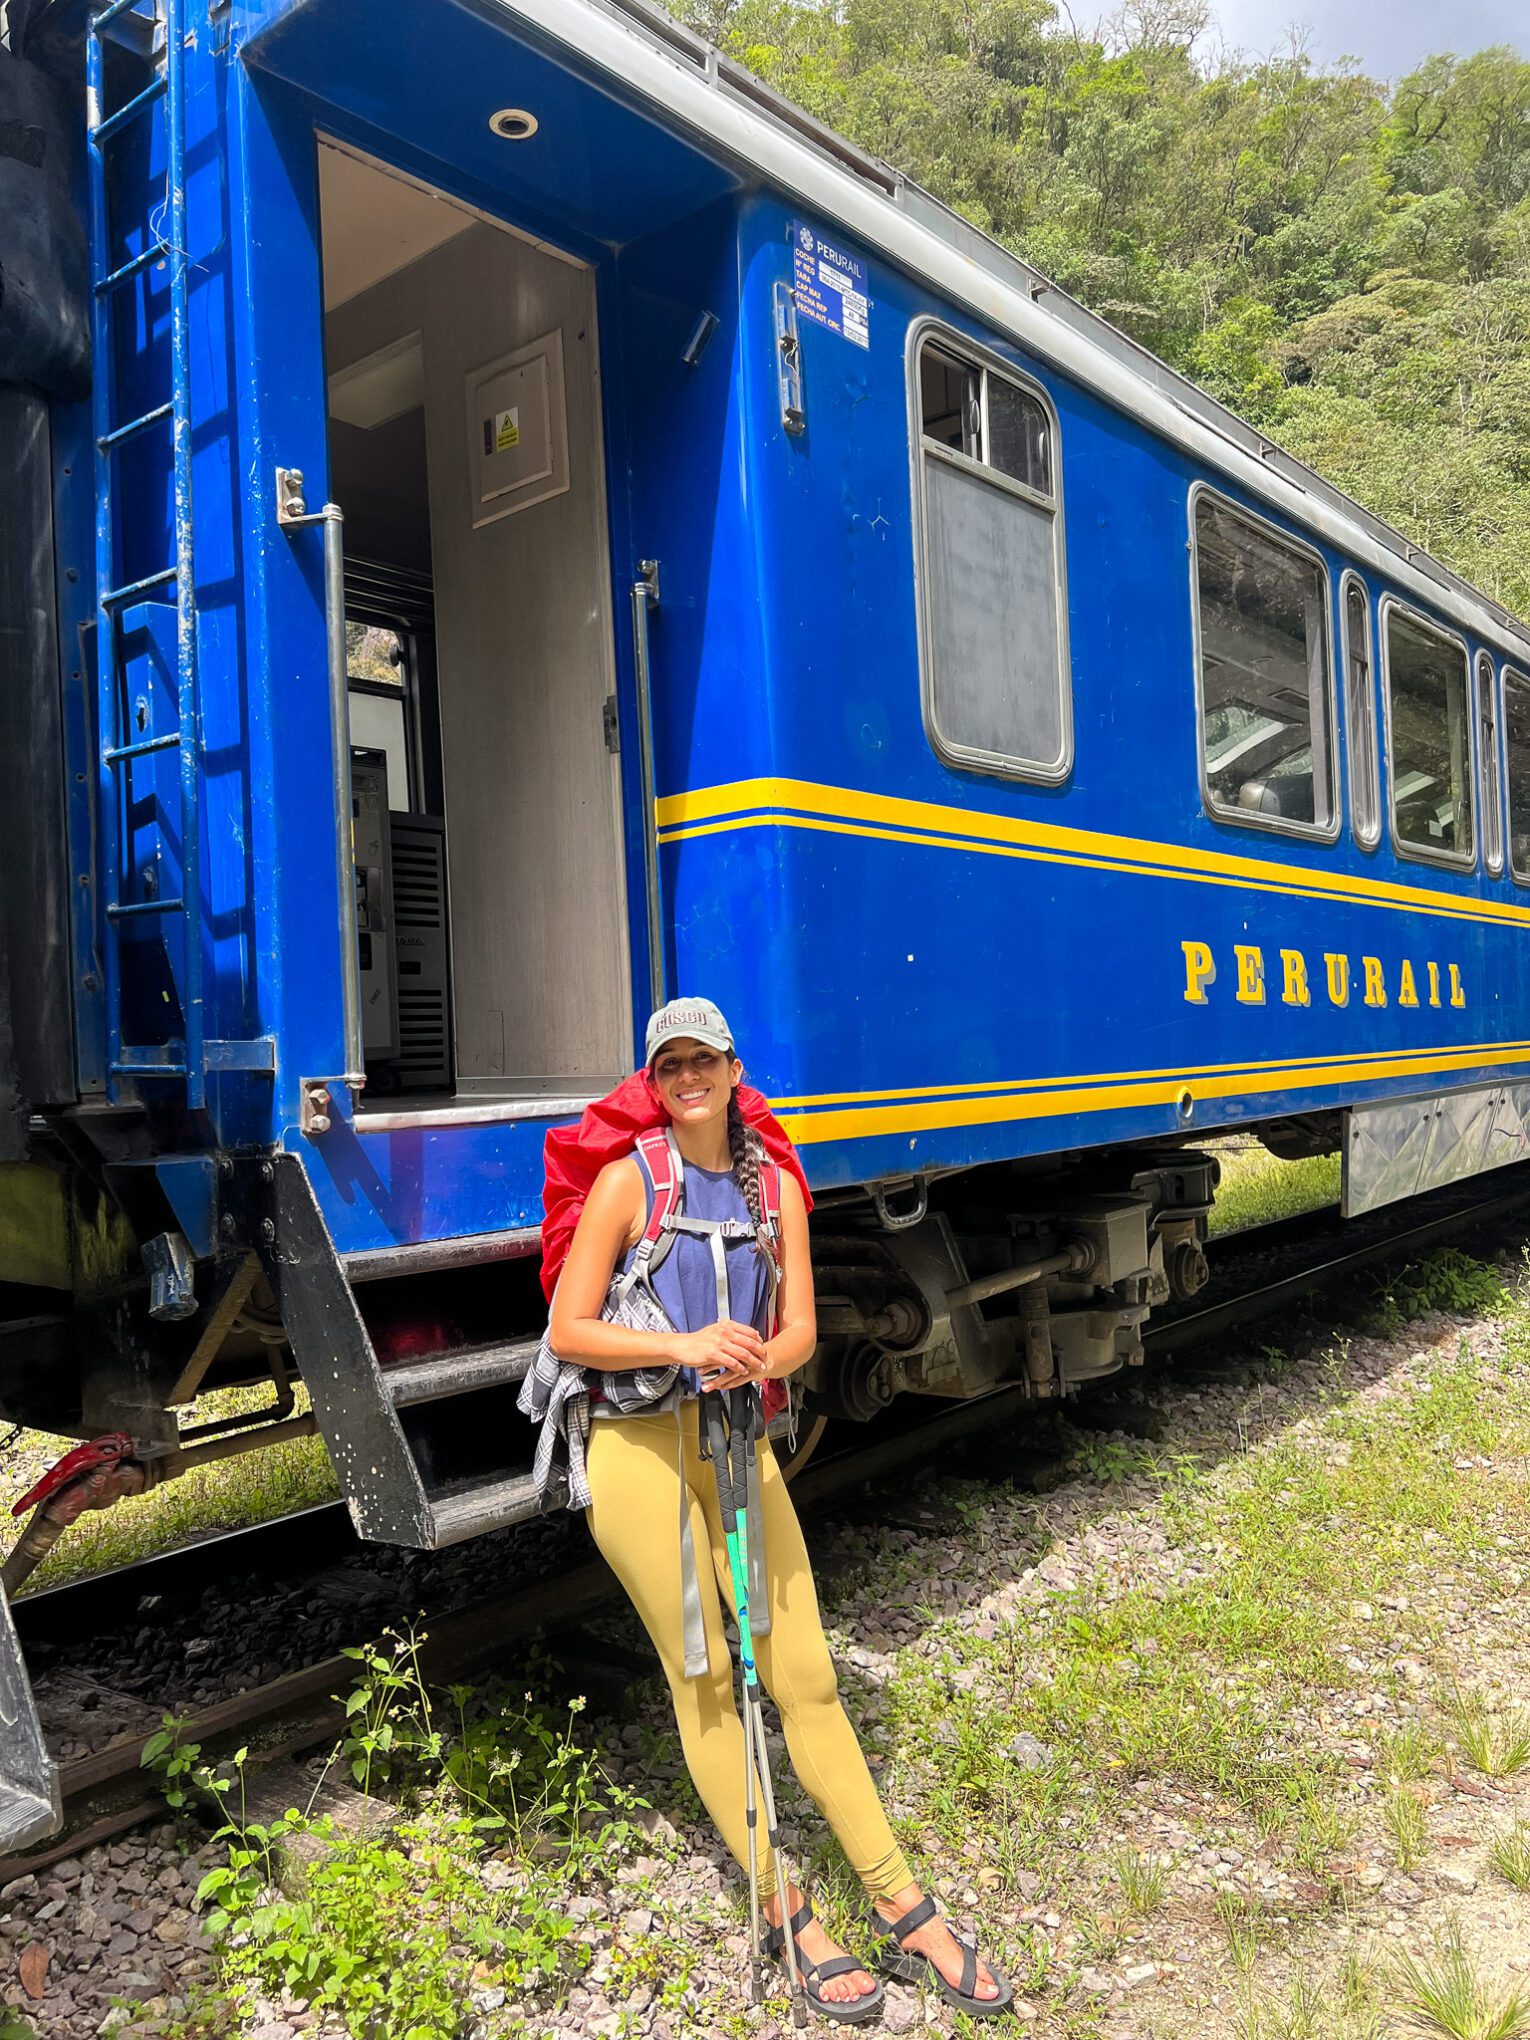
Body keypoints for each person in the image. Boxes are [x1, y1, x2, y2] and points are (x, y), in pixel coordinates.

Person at [548, 997, 1011, 2023]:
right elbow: (570, 1329)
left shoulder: (777, 1190)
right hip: (637, 1451)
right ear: (656, 1083)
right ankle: (782, 1907)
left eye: (701, 1061)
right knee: (706, 1671)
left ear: (732, 1067)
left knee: (804, 1672)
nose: (686, 1079)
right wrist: (686, 1347)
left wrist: (762, 1357)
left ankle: (902, 1899)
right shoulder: (630, 1182)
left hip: (734, 1442)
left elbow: (799, 1328)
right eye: (668, 1067)